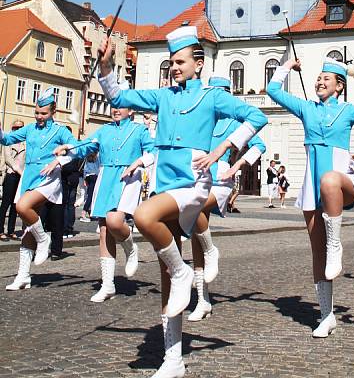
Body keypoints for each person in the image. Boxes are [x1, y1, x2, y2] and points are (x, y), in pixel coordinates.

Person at [97, 26, 267, 378]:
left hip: (193, 181)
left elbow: (257, 117)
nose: (174, 68)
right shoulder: (163, 96)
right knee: (166, 278)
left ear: (198, 63)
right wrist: (106, 67)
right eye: (170, 63)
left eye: (179, 62)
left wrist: (222, 147)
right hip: (165, 181)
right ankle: (173, 359)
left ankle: (183, 269)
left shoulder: (211, 97)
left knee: (144, 217)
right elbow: (117, 98)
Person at [267, 57, 354, 338]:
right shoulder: (307, 109)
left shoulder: (348, 110)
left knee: (330, 181)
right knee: (317, 251)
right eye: (318, 78)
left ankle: (337, 242)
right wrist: (287, 65)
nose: (320, 81)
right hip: (313, 182)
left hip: (342, 177)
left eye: (327, 79)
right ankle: (326, 315)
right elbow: (273, 91)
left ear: (339, 86)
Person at [51, 84, 155, 302]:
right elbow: (84, 147)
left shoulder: (139, 130)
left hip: (128, 178)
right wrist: (65, 152)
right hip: (106, 177)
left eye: (121, 105)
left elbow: (152, 151)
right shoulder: (104, 130)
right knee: (104, 229)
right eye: (113, 105)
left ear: (131, 109)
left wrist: (138, 163)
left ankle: (130, 246)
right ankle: (108, 284)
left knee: (115, 222)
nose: (116, 109)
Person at [188, 75, 266, 322]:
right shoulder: (201, 120)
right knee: (194, 236)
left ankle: (212, 250)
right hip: (197, 177)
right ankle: (203, 299)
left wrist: (237, 166)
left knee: (195, 212)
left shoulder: (235, 122)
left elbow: (259, 145)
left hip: (220, 181)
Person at [0, 87, 77, 289]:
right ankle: (23, 275)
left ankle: (43, 240)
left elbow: (76, 149)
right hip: (29, 177)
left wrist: (59, 161)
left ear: (53, 112)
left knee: (22, 207)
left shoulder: (60, 130)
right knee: (26, 228)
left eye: (43, 113)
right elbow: (7, 139)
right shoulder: (30, 129)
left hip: (48, 178)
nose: (39, 116)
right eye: (37, 113)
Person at [0, 119, 25, 241]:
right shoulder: (8, 141)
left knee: (16, 205)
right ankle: (0, 231)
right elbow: (8, 159)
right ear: (12, 128)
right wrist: (18, 170)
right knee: (5, 204)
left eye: (21, 127)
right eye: (16, 128)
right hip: (10, 174)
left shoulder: (25, 143)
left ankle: (11, 231)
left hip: (21, 177)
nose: (18, 130)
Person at [79, 152, 100, 222]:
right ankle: (84, 213)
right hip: (95, 176)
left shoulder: (87, 158)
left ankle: (90, 213)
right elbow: (99, 168)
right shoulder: (97, 158)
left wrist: (85, 179)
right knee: (92, 196)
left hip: (88, 176)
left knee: (89, 195)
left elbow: (85, 168)